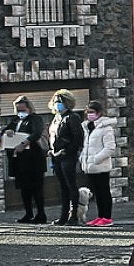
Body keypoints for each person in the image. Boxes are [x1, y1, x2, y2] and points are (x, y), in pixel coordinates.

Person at [2, 94, 48, 224]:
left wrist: (24, 143)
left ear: (29, 108)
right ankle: (28, 213)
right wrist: (8, 131)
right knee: (24, 189)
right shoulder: (15, 120)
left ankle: (40, 214)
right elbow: (6, 130)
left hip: (34, 159)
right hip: (20, 161)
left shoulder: (35, 119)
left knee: (37, 188)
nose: (20, 113)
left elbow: (37, 132)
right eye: (18, 110)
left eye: (22, 110)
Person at [46, 89, 84, 225]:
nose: (58, 104)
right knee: (62, 187)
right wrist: (51, 150)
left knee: (70, 185)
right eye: (56, 102)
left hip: (67, 156)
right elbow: (52, 136)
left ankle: (73, 215)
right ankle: (63, 215)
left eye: (60, 102)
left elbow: (78, 138)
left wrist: (66, 151)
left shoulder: (72, 118)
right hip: (56, 156)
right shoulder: (56, 119)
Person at [79, 101, 116, 226]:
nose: (90, 115)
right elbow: (86, 146)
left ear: (99, 113)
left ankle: (107, 217)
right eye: (88, 112)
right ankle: (100, 216)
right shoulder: (87, 127)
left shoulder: (106, 128)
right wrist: (83, 159)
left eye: (92, 112)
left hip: (101, 166)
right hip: (90, 166)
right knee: (97, 194)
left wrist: (96, 159)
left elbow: (110, 147)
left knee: (104, 191)